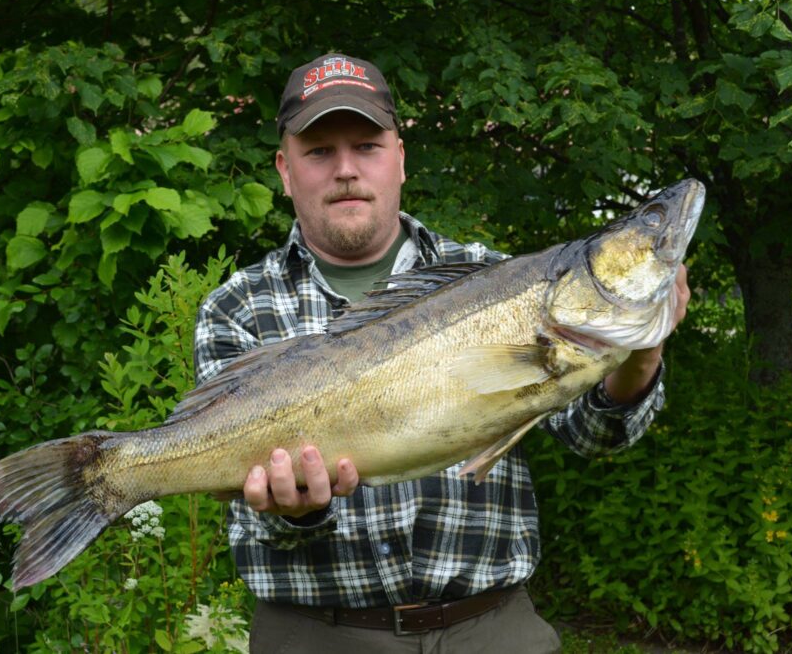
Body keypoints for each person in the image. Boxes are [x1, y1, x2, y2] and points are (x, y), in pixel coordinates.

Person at [193, 53, 689, 653]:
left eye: (367, 147)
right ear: (285, 170)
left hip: (491, 626)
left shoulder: (489, 276)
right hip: (316, 633)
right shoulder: (236, 306)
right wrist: (296, 509)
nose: (346, 170)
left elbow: (593, 436)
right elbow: (256, 518)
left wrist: (641, 353)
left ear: (400, 158)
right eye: (319, 151)